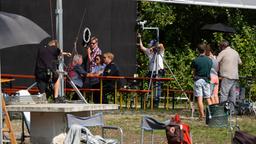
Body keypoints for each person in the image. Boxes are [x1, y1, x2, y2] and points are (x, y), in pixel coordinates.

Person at [138, 34, 165, 108]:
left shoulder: (160, 51)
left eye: (151, 45)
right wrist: (140, 38)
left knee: (158, 87)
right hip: (151, 71)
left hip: (158, 71)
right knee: (151, 88)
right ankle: (151, 102)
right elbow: (141, 47)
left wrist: (153, 47)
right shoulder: (149, 52)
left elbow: (161, 45)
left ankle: (156, 102)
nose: (149, 47)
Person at [217, 40, 242, 113]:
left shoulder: (223, 52)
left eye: (220, 47)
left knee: (224, 94)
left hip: (226, 76)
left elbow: (216, 62)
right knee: (233, 94)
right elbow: (240, 63)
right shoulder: (235, 52)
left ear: (223, 46)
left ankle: (222, 110)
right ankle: (232, 111)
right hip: (235, 76)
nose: (220, 48)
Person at [191, 43, 213, 119]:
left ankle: (202, 115)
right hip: (206, 80)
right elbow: (209, 71)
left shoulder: (195, 60)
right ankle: (211, 115)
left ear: (198, 50)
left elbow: (193, 72)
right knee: (208, 98)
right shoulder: (209, 60)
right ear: (205, 50)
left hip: (198, 80)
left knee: (199, 98)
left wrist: (193, 76)